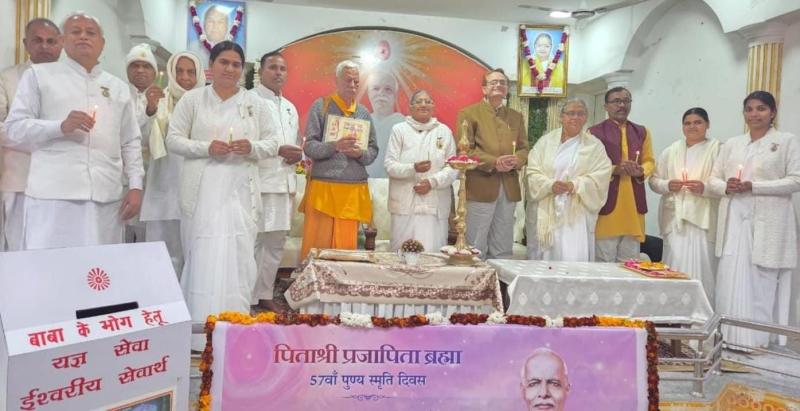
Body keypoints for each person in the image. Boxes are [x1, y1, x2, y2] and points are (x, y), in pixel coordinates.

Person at [166, 41, 278, 349]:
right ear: (211, 67)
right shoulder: (193, 99)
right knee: (202, 256)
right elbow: (173, 139)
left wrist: (251, 147)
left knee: (240, 258)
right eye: (224, 62)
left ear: (243, 70)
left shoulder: (257, 104)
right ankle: (197, 334)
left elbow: (273, 143)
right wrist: (206, 148)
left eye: (236, 64)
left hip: (240, 192)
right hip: (203, 191)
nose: (229, 68)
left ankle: (234, 330)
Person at [4, 12, 144, 250]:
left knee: (99, 267)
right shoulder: (39, 76)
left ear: (102, 43)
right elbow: (14, 128)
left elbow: (130, 140)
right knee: (51, 266)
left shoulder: (118, 87)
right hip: (54, 195)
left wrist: (136, 186)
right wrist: (59, 127)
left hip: (106, 196)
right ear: (63, 40)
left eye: (90, 33)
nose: (83, 37)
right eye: (75, 32)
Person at [708, 91, 800, 349]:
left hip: (768, 220)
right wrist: (726, 186)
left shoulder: (786, 141)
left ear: (773, 113)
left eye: (761, 108)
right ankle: (728, 336)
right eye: (749, 109)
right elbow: (713, 179)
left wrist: (754, 186)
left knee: (762, 279)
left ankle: (757, 340)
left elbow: (796, 179)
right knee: (730, 276)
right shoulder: (733, 144)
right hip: (734, 218)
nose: (754, 114)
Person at [300, 60, 379, 260]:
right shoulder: (321, 106)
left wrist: (359, 154)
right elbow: (309, 146)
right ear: (336, 81)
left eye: (356, 81)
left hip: (352, 190)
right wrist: (334, 146)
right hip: (323, 188)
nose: (352, 85)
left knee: (345, 252)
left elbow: (373, 151)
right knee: (317, 249)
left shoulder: (363, 113)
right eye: (348, 80)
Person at [140, 51, 205, 276]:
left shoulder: (207, 103)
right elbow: (141, 140)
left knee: (194, 254)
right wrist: (150, 111)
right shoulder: (158, 100)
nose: (184, 77)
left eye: (190, 72)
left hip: (197, 187)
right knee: (160, 255)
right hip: (163, 184)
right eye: (179, 71)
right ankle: (161, 294)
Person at [0, 18, 62, 251]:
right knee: (18, 247)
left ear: (61, 44)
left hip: (61, 181)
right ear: (26, 44)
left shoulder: (73, 81)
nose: (45, 46)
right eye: (38, 40)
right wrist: (46, 137)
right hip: (19, 178)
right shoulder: (7, 78)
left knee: (55, 249)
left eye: (51, 41)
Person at [526, 99, 612, 261]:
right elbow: (532, 171)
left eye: (580, 114)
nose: (575, 117)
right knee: (544, 257)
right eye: (570, 113)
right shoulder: (545, 142)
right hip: (547, 207)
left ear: (586, 118)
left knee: (572, 255)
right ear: (561, 117)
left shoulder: (594, 145)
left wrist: (575, 185)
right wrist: (550, 185)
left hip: (575, 212)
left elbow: (602, 175)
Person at [649, 108, 720, 301]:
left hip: (703, 220)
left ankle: (701, 311)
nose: (692, 126)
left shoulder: (717, 149)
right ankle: (672, 309)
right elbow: (654, 181)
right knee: (674, 264)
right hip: (675, 219)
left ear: (707, 125)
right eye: (687, 123)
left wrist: (705, 188)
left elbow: (724, 184)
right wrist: (667, 185)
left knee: (703, 266)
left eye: (698, 122)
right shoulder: (671, 151)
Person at [250, 51, 302, 312]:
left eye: (282, 68)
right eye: (272, 67)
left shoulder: (290, 107)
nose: (278, 72)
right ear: (261, 71)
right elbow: (247, 142)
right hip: (259, 182)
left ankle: (265, 292)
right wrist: (277, 150)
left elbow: (297, 141)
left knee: (276, 242)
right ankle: (247, 295)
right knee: (254, 241)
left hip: (285, 183)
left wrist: (299, 155)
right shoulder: (250, 100)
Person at [457, 68, 528, 259]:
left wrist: (517, 160)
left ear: (507, 89)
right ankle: (475, 277)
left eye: (503, 83)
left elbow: (524, 148)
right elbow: (465, 151)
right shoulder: (469, 113)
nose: (499, 85)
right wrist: (494, 162)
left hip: (508, 186)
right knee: (475, 244)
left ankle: (500, 278)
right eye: (493, 82)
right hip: (481, 186)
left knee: (503, 244)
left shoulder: (516, 116)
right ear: (484, 89)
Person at [384, 90, 458, 252]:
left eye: (427, 101)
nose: (423, 105)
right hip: (405, 205)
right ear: (410, 107)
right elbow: (389, 165)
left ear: (433, 106)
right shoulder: (399, 130)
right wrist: (413, 168)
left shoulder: (444, 131)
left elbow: (453, 167)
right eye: (419, 102)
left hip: (435, 206)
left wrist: (432, 182)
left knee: (432, 255)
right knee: (402, 255)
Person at [589, 87, 655, 262]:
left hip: (633, 206)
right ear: (605, 106)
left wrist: (641, 171)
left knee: (630, 263)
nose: (622, 105)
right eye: (616, 101)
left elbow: (649, 160)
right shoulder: (593, 133)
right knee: (603, 261)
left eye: (626, 101)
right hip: (607, 206)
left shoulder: (642, 131)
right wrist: (614, 169)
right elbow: (589, 166)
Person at [124, 43, 164, 243]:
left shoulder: (164, 98)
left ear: (155, 72)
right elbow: (126, 133)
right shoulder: (119, 95)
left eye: (146, 66)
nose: (140, 70)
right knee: (121, 230)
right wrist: (148, 111)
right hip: (123, 174)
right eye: (135, 65)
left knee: (146, 232)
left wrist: (153, 108)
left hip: (153, 175)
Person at [365, 70, 404, 178]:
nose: (381, 93)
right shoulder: (362, 122)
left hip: (395, 182)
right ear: (369, 93)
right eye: (376, 88)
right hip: (364, 182)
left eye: (388, 89)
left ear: (395, 95)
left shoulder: (404, 123)